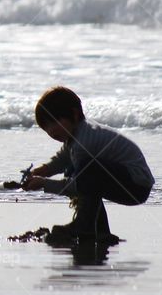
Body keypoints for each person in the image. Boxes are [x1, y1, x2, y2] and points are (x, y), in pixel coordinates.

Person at [22, 86, 154, 243]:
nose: (51, 131)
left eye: (54, 122)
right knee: (79, 171)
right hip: (125, 180)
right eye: (46, 127)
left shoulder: (83, 142)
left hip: (135, 185)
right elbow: (63, 157)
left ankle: (84, 225)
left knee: (86, 172)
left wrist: (44, 183)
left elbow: (77, 184)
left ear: (75, 114)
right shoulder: (76, 135)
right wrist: (45, 170)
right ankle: (99, 231)